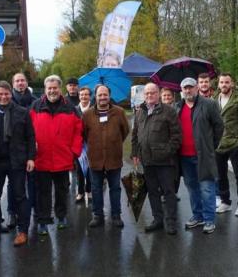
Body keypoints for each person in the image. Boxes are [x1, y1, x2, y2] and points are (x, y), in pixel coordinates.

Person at [0, 81, 36, 247]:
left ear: (11, 94)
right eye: (0, 94)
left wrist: (31, 158)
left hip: (17, 160)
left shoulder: (22, 112)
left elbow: (30, 136)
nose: (3, 97)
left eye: (6, 94)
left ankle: (23, 231)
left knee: (20, 196)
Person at [29, 75, 83, 236]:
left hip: (63, 158)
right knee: (43, 193)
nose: (52, 91)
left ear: (60, 89)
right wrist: (31, 150)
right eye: (49, 88)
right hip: (41, 158)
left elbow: (78, 132)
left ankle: (61, 216)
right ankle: (43, 220)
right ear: (45, 89)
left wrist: (74, 152)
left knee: (62, 191)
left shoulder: (71, 108)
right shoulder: (35, 106)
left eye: (55, 88)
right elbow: (28, 130)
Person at [131, 83, 181, 235]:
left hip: (165, 162)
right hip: (147, 161)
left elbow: (176, 137)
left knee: (168, 192)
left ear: (158, 94)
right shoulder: (140, 112)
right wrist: (135, 154)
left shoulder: (169, 111)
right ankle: (157, 219)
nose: (149, 95)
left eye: (152, 92)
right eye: (147, 93)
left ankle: (171, 222)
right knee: (152, 192)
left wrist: (166, 152)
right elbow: (135, 135)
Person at [175, 77, 224, 234]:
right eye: (185, 88)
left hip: (204, 155)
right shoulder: (178, 107)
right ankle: (198, 216)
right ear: (182, 90)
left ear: (196, 88)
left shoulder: (208, 104)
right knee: (192, 188)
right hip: (184, 156)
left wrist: (211, 146)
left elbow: (219, 127)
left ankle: (209, 220)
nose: (188, 90)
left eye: (190, 87)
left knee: (207, 188)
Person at [83, 85, 130, 228]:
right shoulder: (87, 115)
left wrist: (114, 142)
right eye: (100, 95)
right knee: (96, 188)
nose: (102, 97)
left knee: (115, 188)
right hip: (95, 158)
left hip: (114, 157)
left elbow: (125, 131)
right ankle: (97, 215)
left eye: (105, 95)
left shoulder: (119, 112)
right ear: (95, 96)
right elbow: (84, 134)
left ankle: (116, 215)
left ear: (109, 96)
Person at [214, 73, 238, 217]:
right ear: (218, 84)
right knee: (221, 175)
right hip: (219, 144)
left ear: (232, 83)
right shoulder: (214, 100)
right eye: (221, 82)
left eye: (226, 82)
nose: (224, 85)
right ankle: (225, 202)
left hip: (234, 143)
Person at [7, 72, 37, 227]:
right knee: (13, 183)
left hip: (31, 146)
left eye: (22, 80)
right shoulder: (7, 101)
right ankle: (12, 212)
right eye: (17, 80)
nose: (20, 83)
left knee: (33, 181)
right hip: (13, 149)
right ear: (13, 83)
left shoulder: (35, 101)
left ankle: (34, 209)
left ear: (26, 83)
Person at [74, 86, 92, 203]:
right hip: (78, 145)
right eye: (81, 95)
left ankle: (89, 191)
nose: (83, 97)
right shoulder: (74, 109)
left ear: (89, 96)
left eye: (86, 94)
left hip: (91, 144)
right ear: (79, 96)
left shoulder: (94, 109)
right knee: (79, 169)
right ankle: (80, 192)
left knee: (90, 169)